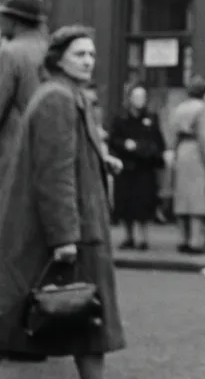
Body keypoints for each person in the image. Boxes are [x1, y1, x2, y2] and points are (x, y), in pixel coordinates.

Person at [0, 25, 125, 378]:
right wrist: (64, 238)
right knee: (86, 322)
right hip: (77, 233)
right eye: (79, 54)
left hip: (82, 228)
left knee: (83, 323)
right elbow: (54, 174)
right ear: (58, 59)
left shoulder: (67, 94)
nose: (89, 61)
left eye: (91, 54)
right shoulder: (57, 98)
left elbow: (69, 157)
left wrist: (103, 160)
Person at [168, 75, 205, 255]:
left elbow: (172, 136)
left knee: (183, 199)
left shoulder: (179, 109)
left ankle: (182, 239)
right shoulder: (203, 111)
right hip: (197, 155)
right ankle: (196, 241)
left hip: (182, 152)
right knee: (198, 199)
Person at [108, 84, 166, 250]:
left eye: (142, 97)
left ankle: (143, 238)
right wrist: (124, 144)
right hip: (127, 167)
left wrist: (146, 149)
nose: (140, 100)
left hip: (145, 167)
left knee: (144, 203)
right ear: (130, 99)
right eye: (136, 97)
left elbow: (158, 140)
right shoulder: (120, 118)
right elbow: (113, 140)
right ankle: (129, 236)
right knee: (126, 203)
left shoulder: (151, 117)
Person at [0, 0, 48, 186]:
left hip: (12, 150)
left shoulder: (11, 52)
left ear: (14, 21)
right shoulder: (49, 49)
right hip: (45, 149)